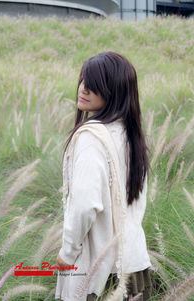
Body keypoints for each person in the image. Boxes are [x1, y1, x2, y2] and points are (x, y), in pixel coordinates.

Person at [55, 51, 153, 301]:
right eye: (84, 80)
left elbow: (84, 206)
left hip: (99, 276)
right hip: (136, 267)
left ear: (115, 91)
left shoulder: (91, 138)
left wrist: (66, 254)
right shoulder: (132, 137)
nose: (84, 88)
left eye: (96, 84)